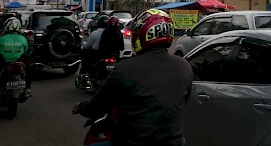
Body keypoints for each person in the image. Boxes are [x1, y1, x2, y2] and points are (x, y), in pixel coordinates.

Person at [74, 9, 193, 146]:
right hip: (175, 142)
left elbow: (98, 106)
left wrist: (82, 106)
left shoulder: (125, 68)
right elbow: (184, 100)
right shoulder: (184, 65)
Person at [0, 17, 30, 99]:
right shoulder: (23, 38)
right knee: (29, 71)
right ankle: (28, 88)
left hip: (4, 63)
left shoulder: (1, 38)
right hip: (19, 63)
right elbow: (27, 51)